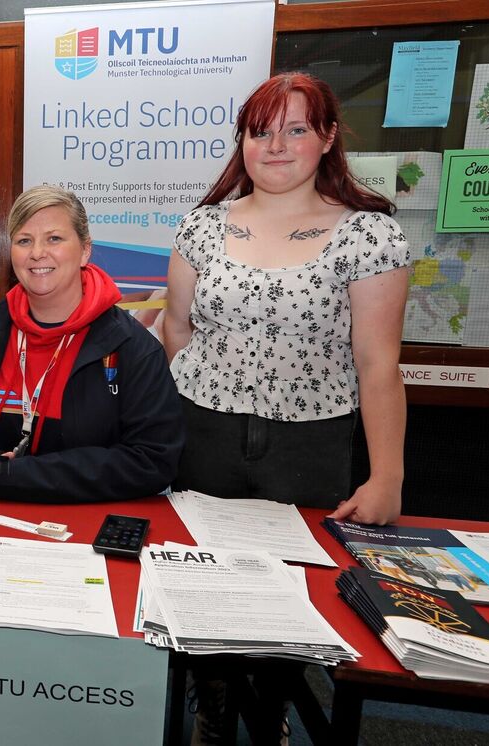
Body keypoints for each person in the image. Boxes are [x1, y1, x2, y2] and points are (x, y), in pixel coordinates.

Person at [161, 72, 409, 744]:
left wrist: (386, 477)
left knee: (286, 600)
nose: (276, 145)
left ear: (328, 138)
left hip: (309, 446)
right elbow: (176, 331)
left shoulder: (368, 235)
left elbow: (377, 364)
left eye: (296, 128)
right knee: (205, 590)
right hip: (203, 436)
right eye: (260, 130)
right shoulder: (202, 227)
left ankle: (270, 717)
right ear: (241, 140)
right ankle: (213, 711)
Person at [0, 185, 184, 503]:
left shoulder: (132, 346)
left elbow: (152, 459)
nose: (37, 253)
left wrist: (20, 476)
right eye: (24, 240)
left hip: (90, 525)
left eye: (54, 238)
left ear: (85, 250)